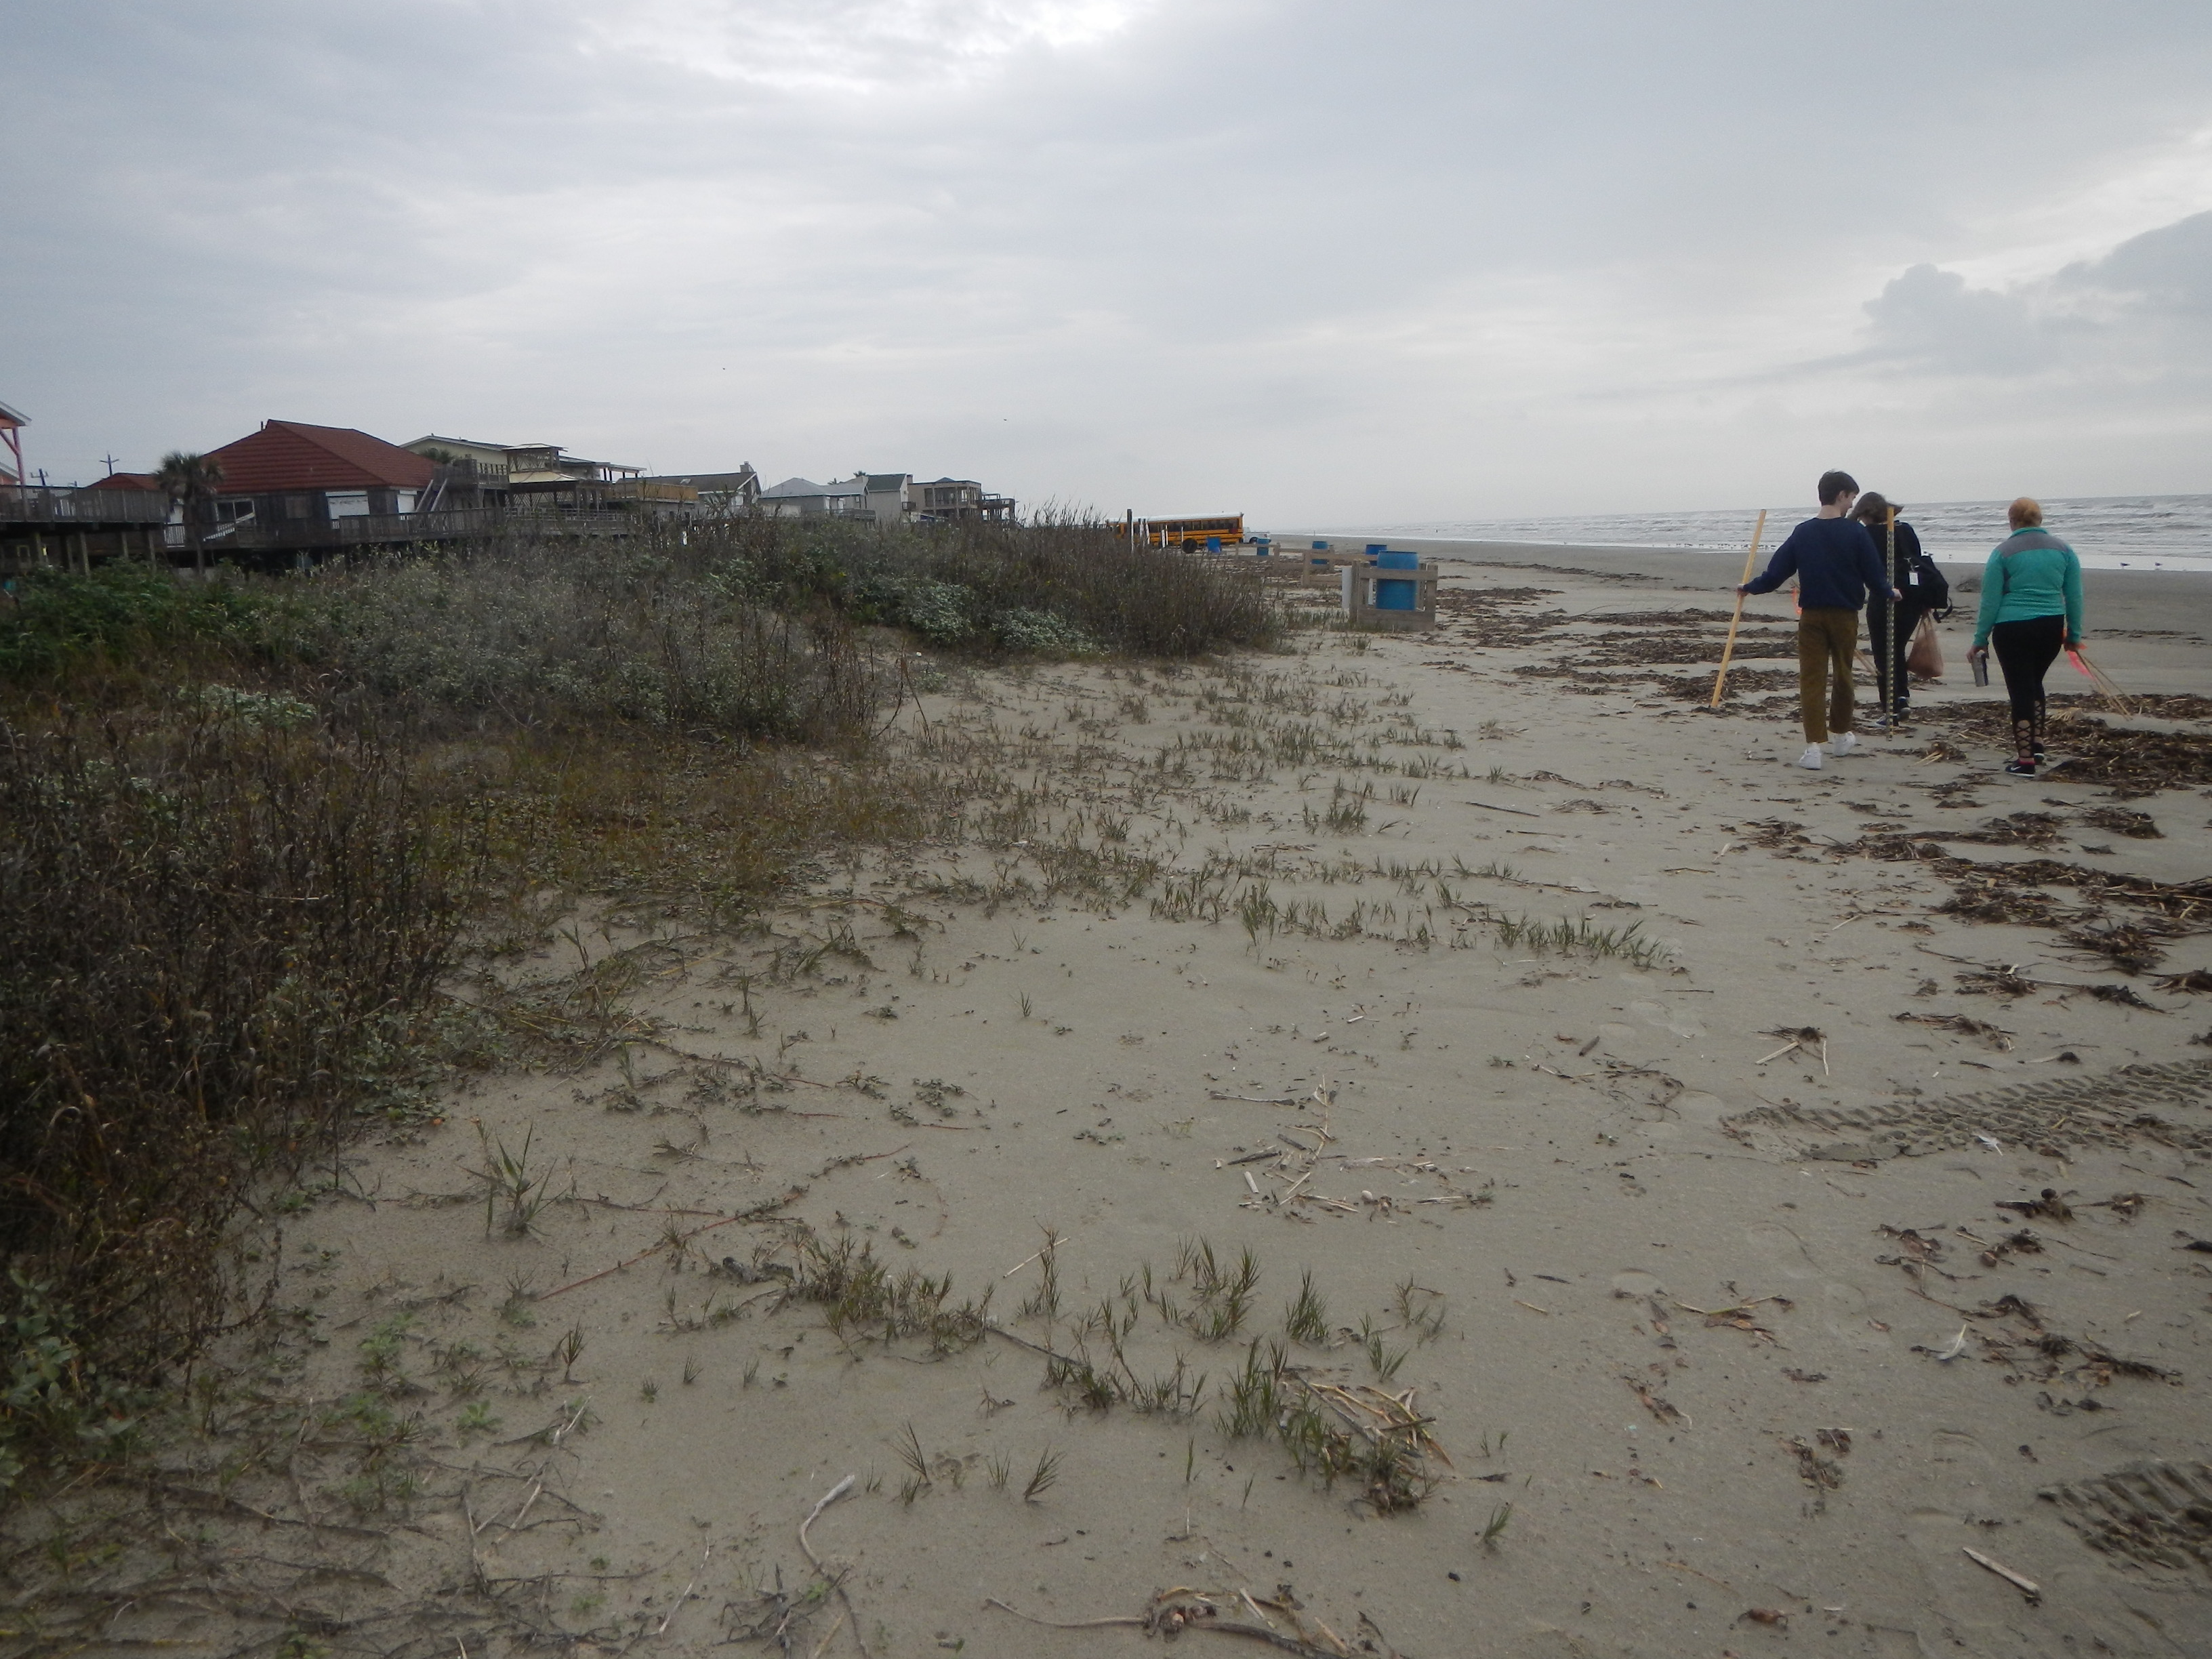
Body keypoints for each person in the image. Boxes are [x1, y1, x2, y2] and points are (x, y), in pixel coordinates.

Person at [1737, 470, 1900, 771]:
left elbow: (1775, 574)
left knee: (1812, 679)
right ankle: (1840, 735)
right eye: (1851, 498)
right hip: (1844, 616)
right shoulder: (1856, 533)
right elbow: (1874, 576)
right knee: (1843, 675)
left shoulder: (1803, 532)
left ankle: (1814, 748)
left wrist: (1750, 587)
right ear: (1841, 495)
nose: (1852, 505)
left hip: (1812, 616)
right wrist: (1890, 592)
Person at [1967, 497, 2083, 777]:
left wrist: (1980, 638)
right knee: (2034, 682)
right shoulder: (2064, 550)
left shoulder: (2002, 553)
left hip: (2012, 627)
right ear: (2040, 519)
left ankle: (2025, 760)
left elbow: (1990, 600)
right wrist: (2074, 634)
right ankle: (2037, 744)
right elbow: (2074, 596)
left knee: (2020, 689)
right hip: (2050, 626)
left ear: (2012, 521)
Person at [1853, 492, 1948, 728]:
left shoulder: (1867, 534)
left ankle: (1891, 708)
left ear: (1867, 513)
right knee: (1897, 648)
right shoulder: (1905, 530)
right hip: (1912, 597)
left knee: (1884, 653)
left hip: (1884, 596)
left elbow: (1863, 568)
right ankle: (1901, 697)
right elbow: (1917, 561)